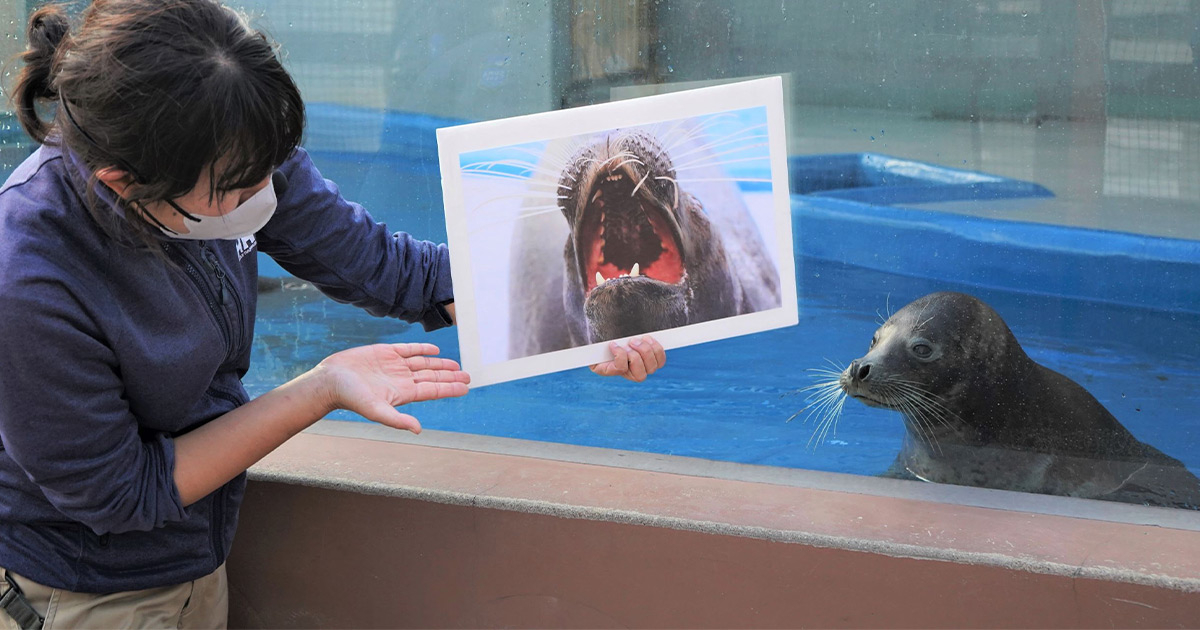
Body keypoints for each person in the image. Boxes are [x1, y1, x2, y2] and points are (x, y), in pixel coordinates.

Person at [0, 1, 666, 628]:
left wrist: (584, 313)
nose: (269, 192)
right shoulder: (31, 276)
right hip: (83, 592)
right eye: (238, 188)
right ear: (124, 182)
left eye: (271, 166)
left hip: (198, 554)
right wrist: (319, 389)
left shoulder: (230, 137)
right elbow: (124, 496)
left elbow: (396, 271)